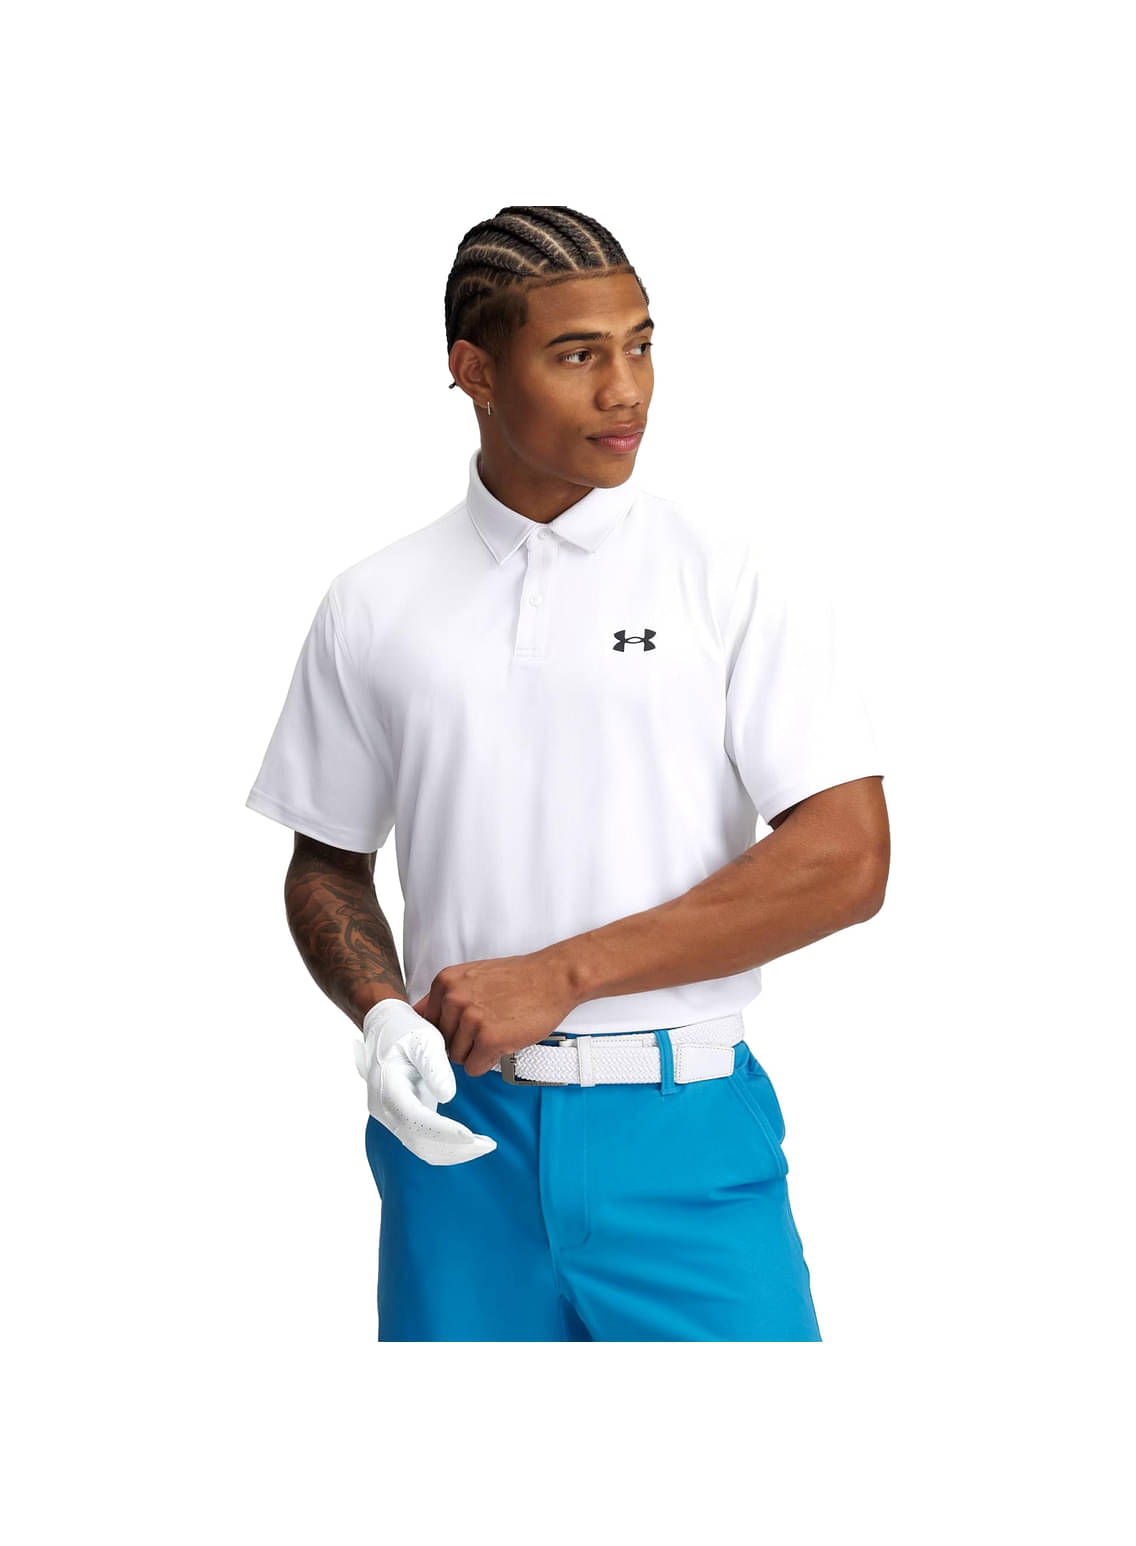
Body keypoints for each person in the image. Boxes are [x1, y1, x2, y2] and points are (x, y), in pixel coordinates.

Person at [245, 204, 890, 1341]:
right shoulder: (373, 602)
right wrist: (382, 1013)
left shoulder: (731, 574)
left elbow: (846, 860)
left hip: (685, 1134)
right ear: (474, 371)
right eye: (578, 355)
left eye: (640, 345)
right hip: (457, 1145)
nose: (626, 390)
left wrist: (563, 973)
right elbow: (327, 861)